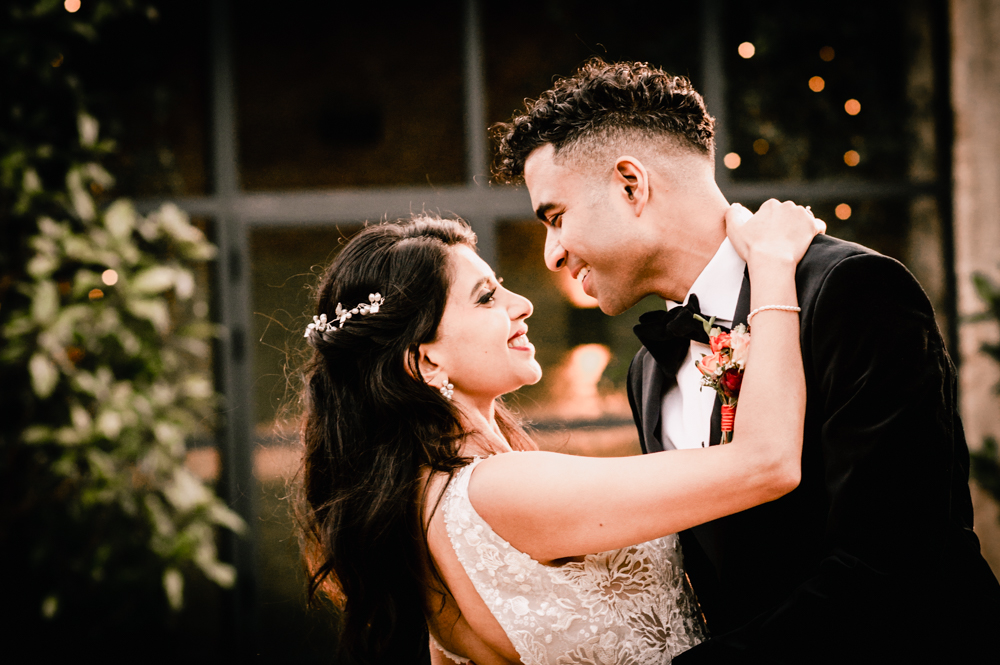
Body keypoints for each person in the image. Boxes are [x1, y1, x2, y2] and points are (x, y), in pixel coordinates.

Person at [491, 57, 1000, 663]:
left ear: (632, 184)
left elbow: (894, 561)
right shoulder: (648, 372)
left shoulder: (851, 290)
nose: (551, 254)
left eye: (556, 217)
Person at [297, 208, 820, 664]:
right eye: (485, 298)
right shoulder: (500, 488)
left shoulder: (422, 503)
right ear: (425, 358)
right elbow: (767, 462)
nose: (521, 302)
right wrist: (772, 268)